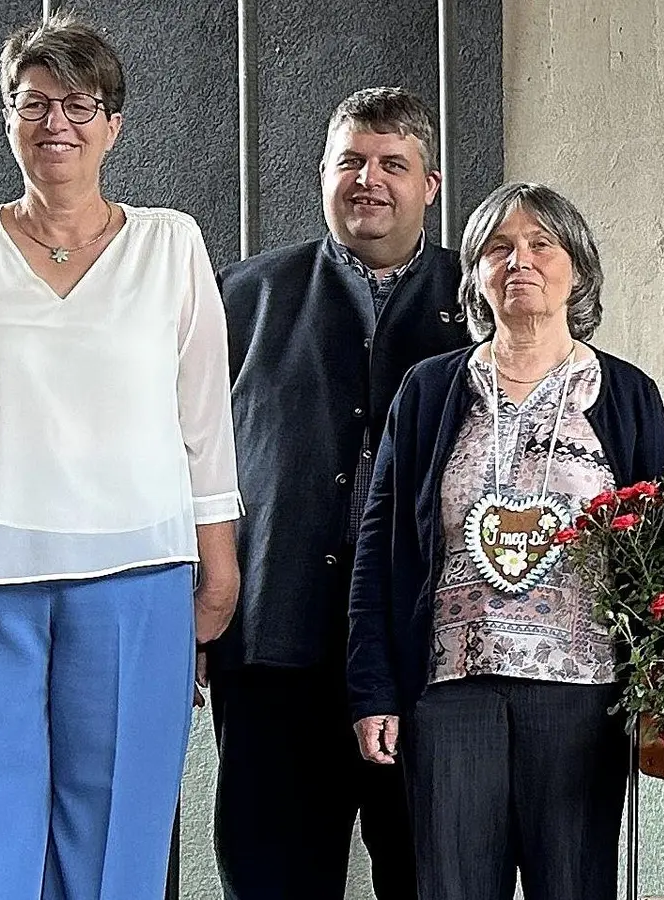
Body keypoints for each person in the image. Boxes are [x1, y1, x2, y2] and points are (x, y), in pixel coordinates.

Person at [0, 14, 240, 899]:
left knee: (117, 848)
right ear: (6, 116)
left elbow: (204, 423)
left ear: (114, 122)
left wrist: (217, 571)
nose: (56, 123)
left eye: (79, 104)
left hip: (138, 576)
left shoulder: (171, 243)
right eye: (34, 103)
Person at [348, 181, 664, 900]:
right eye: (497, 248)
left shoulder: (626, 395)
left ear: (577, 269)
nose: (517, 260)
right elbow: (379, 553)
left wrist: (662, 681)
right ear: (474, 276)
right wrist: (373, 688)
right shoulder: (430, 391)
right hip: (450, 694)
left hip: (585, 697)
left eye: (539, 244)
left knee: (574, 887)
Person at [207, 86, 468, 899]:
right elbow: (187, 461)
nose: (369, 179)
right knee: (271, 876)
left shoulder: (485, 298)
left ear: (431, 185)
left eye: (394, 163)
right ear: (322, 173)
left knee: (431, 874)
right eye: (351, 160)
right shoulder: (240, 298)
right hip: (275, 643)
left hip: (430, 654)